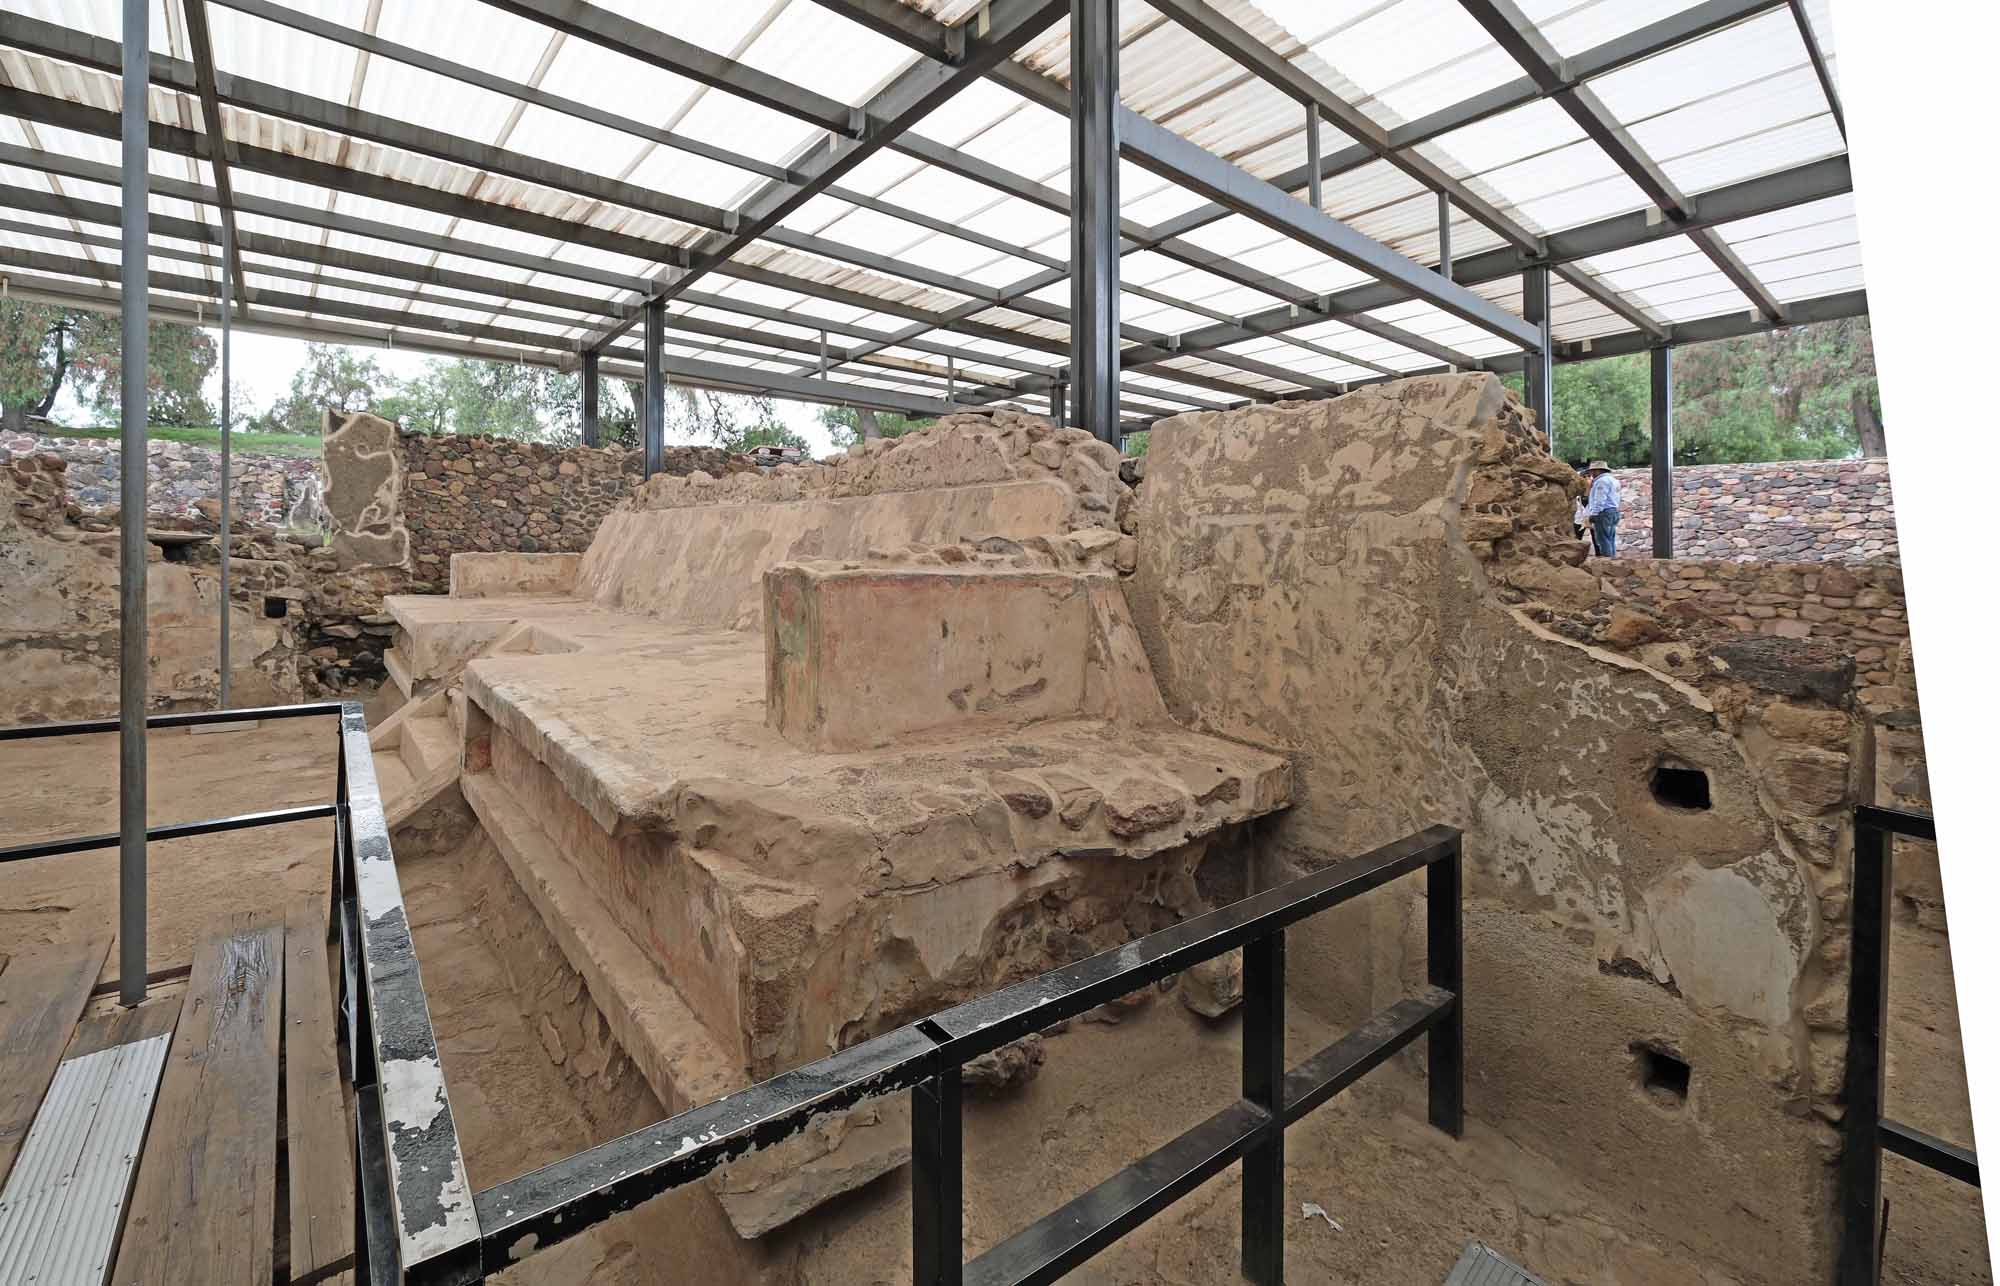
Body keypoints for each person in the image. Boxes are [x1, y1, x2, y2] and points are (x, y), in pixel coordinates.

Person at [1579, 460, 1620, 556]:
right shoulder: (1614, 480)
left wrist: (1594, 514)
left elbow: (1599, 500)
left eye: (1592, 471)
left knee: (1603, 540)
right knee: (1610, 539)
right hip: (1613, 511)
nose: (1591, 474)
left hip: (1603, 513)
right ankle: (1613, 560)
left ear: (1597, 470)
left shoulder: (1601, 482)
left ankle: (1607, 561)